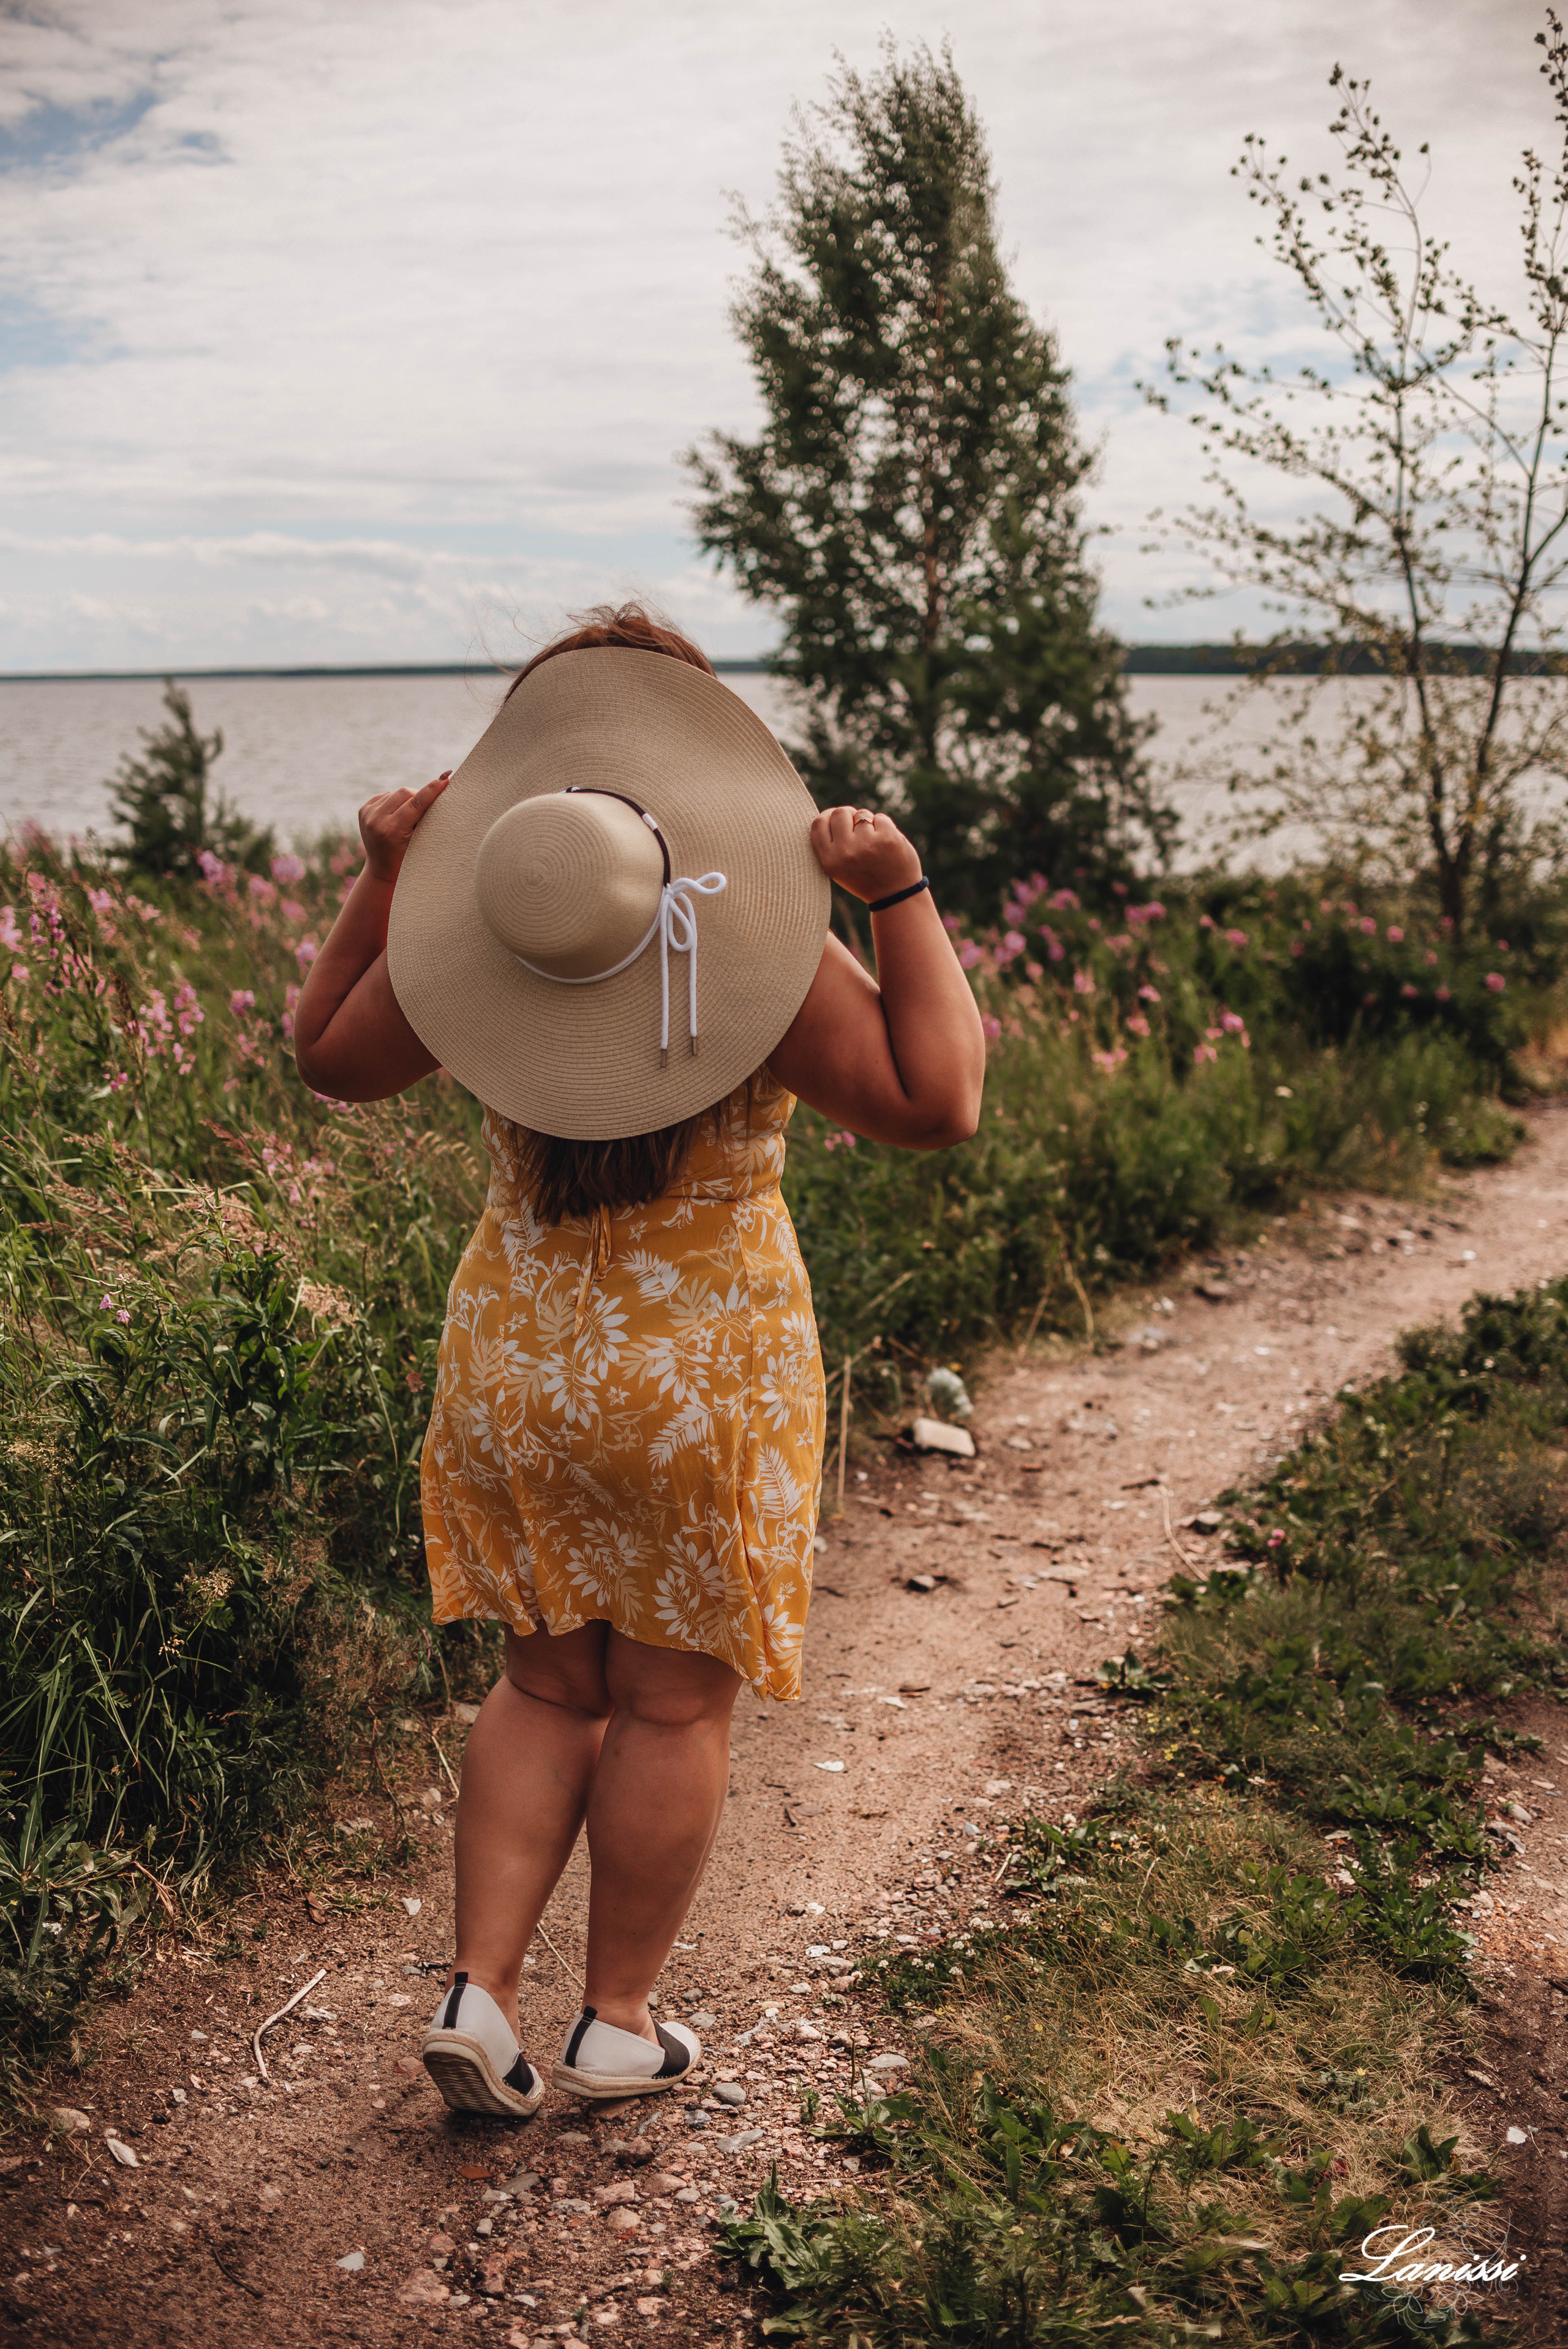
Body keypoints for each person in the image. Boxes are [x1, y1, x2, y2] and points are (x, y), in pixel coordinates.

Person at [293, 604, 984, 2119]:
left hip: (518, 1361)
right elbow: (937, 1100)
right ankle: (615, 2024)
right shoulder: (755, 958)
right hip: (703, 1370)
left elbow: (323, 1052)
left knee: (542, 1685)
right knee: (669, 1705)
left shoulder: (486, 944)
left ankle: (477, 1996)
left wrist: (385, 878)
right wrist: (899, 893)